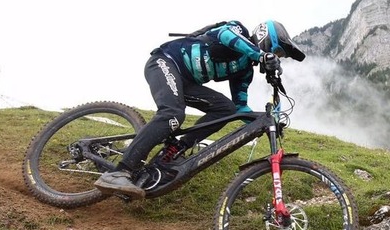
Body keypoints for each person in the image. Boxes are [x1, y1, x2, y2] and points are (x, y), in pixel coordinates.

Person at [94, 20, 305, 199]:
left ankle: (176, 148)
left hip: (185, 82)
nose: (275, 55)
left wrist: (264, 120)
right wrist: (261, 56)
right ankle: (120, 172)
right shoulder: (237, 30)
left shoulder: (244, 72)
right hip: (165, 62)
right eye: (276, 50)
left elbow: (240, 107)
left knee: (227, 109)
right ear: (265, 37)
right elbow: (224, 35)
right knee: (172, 115)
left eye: (278, 54)